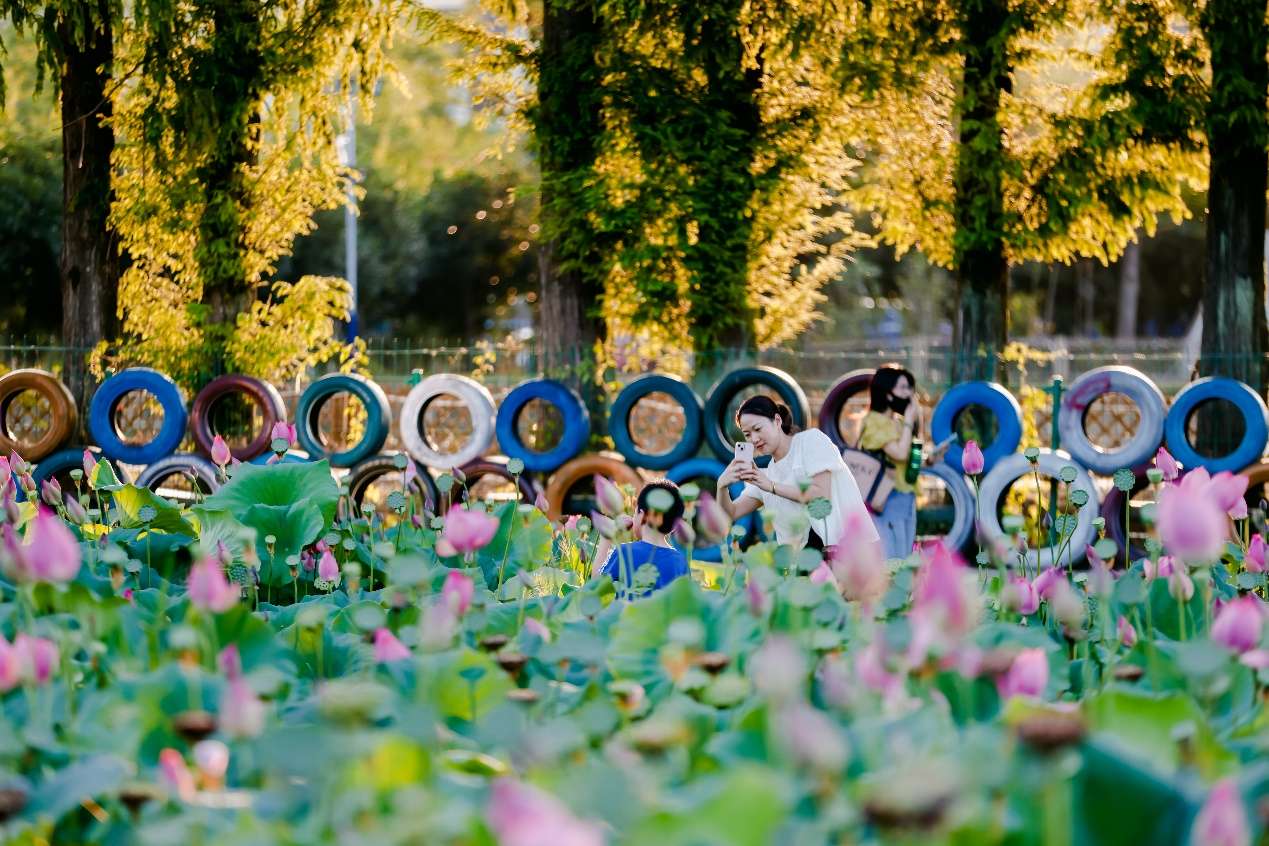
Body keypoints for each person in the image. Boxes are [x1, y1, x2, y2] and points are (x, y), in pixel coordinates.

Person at [717, 395, 879, 552]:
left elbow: (821, 497)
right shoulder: (766, 473)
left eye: (757, 429)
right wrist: (721, 486)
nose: (754, 438)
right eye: (747, 434)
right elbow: (731, 513)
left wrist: (771, 486)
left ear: (777, 421)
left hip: (848, 550)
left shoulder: (811, 441)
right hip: (802, 561)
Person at [857, 365, 920, 559]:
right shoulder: (874, 421)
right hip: (886, 498)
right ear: (887, 393)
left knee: (905, 557)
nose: (908, 393)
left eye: (910, 387)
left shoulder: (898, 422)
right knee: (892, 559)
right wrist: (910, 419)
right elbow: (899, 454)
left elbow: (909, 456)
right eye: (902, 387)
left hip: (906, 497)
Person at [595, 480, 690, 593]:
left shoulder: (625, 552)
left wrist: (606, 537)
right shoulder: (680, 562)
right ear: (674, 527)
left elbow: (596, 588)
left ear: (642, 514)